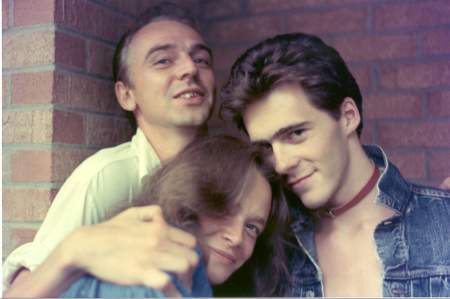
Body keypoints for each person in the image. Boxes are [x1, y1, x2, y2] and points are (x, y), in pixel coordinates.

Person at [3, 2, 214, 297]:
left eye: (202, 60)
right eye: (164, 61)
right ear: (127, 95)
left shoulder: (225, 177)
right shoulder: (104, 177)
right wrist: (73, 251)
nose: (190, 69)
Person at [219, 32, 450, 297]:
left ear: (348, 117)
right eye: (267, 147)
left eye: (296, 134)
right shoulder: (262, 246)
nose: (281, 164)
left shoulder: (444, 222)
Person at [58, 135, 289, 297]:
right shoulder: (130, 284)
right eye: (225, 210)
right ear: (190, 197)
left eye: (252, 228)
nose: (237, 237)